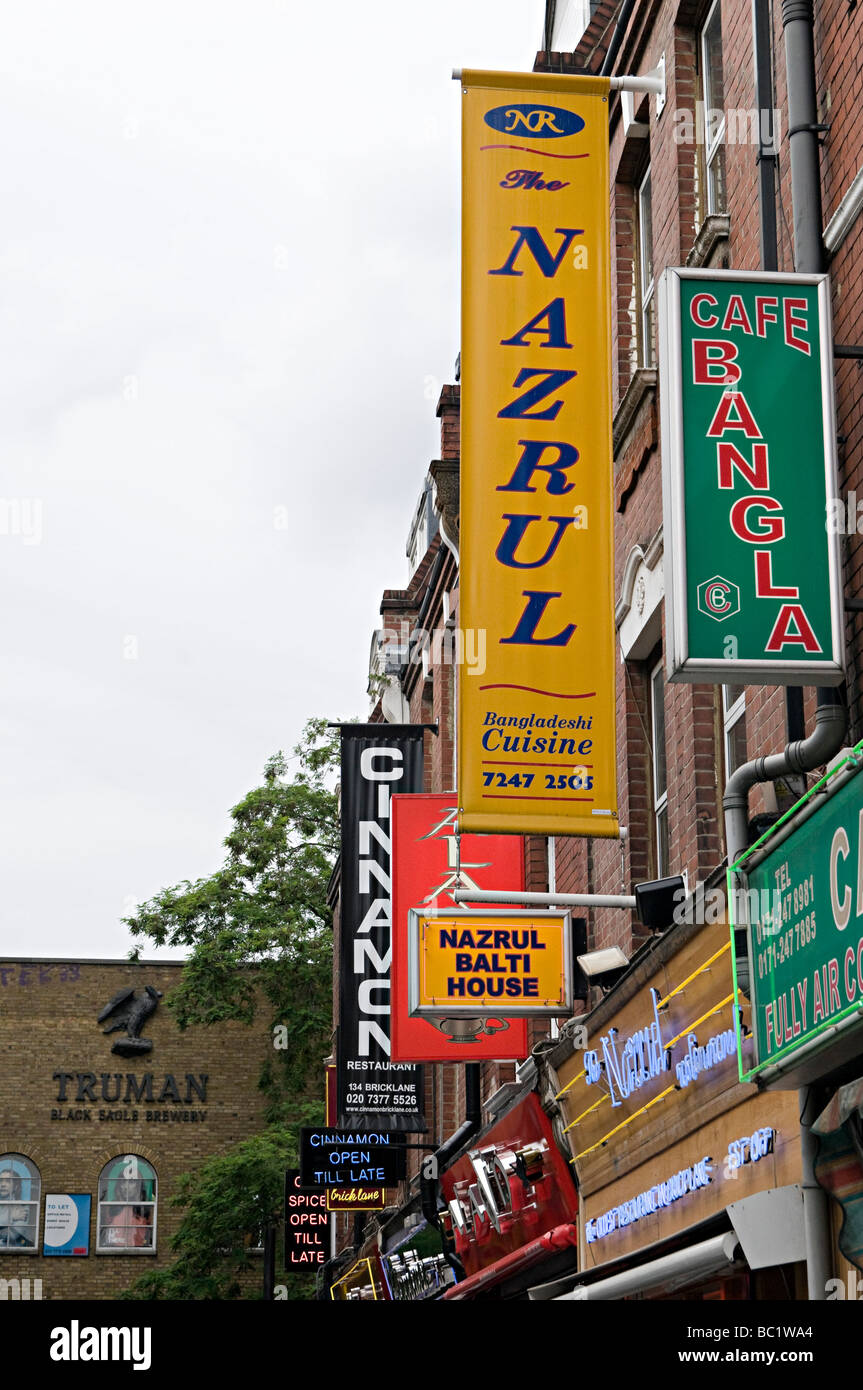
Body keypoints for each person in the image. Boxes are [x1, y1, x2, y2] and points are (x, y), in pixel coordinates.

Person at [100, 1177, 153, 1248]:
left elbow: (149, 1235)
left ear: (138, 1185)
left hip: (139, 1250)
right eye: (123, 1182)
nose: (126, 1186)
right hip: (114, 1250)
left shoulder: (146, 1208)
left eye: (131, 1182)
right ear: (119, 1185)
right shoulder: (111, 1207)